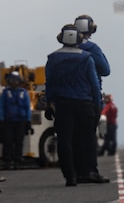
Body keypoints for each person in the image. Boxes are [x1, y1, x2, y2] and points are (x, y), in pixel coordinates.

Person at [45, 24, 107, 186]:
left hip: (62, 104)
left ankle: (71, 176)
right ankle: (91, 171)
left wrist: (48, 104)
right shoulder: (86, 57)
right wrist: (98, 105)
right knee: (88, 138)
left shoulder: (52, 58)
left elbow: (49, 84)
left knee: (65, 140)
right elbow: (94, 84)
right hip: (84, 104)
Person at [0, 72, 31, 170]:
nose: (14, 83)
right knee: (8, 141)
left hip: (20, 121)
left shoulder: (23, 92)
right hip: (9, 121)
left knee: (19, 141)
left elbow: (27, 107)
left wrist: (28, 120)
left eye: (16, 81)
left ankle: (18, 160)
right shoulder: (5, 93)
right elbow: (1, 107)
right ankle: (7, 160)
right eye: (12, 81)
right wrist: (2, 119)